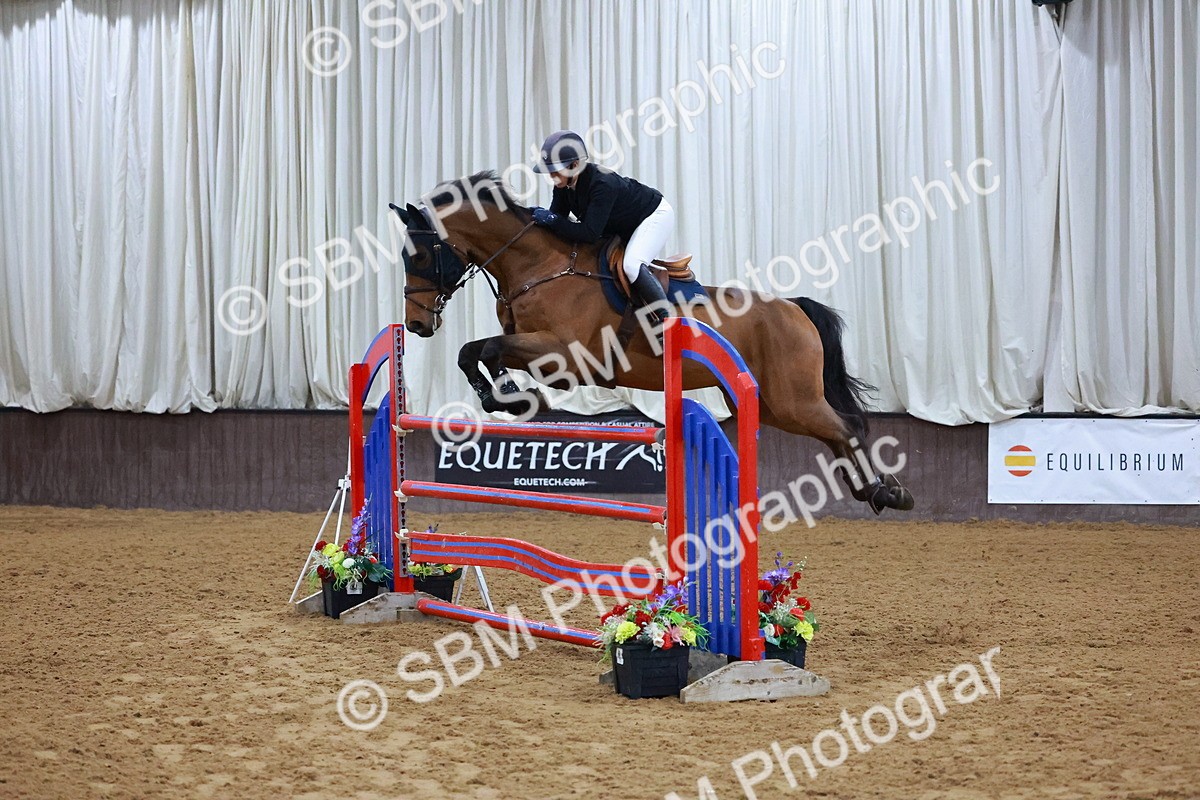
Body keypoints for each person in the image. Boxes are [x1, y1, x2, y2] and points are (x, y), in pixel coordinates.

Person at [530, 130, 674, 328]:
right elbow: (557, 218)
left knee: (631, 265)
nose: (551, 176)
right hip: (620, 225)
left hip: (653, 216)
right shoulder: (564, 185)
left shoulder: (603, 184)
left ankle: (667, 319)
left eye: (556, 170)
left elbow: (589, 233)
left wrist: (552, 220)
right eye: (550, 171)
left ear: (574, 165)